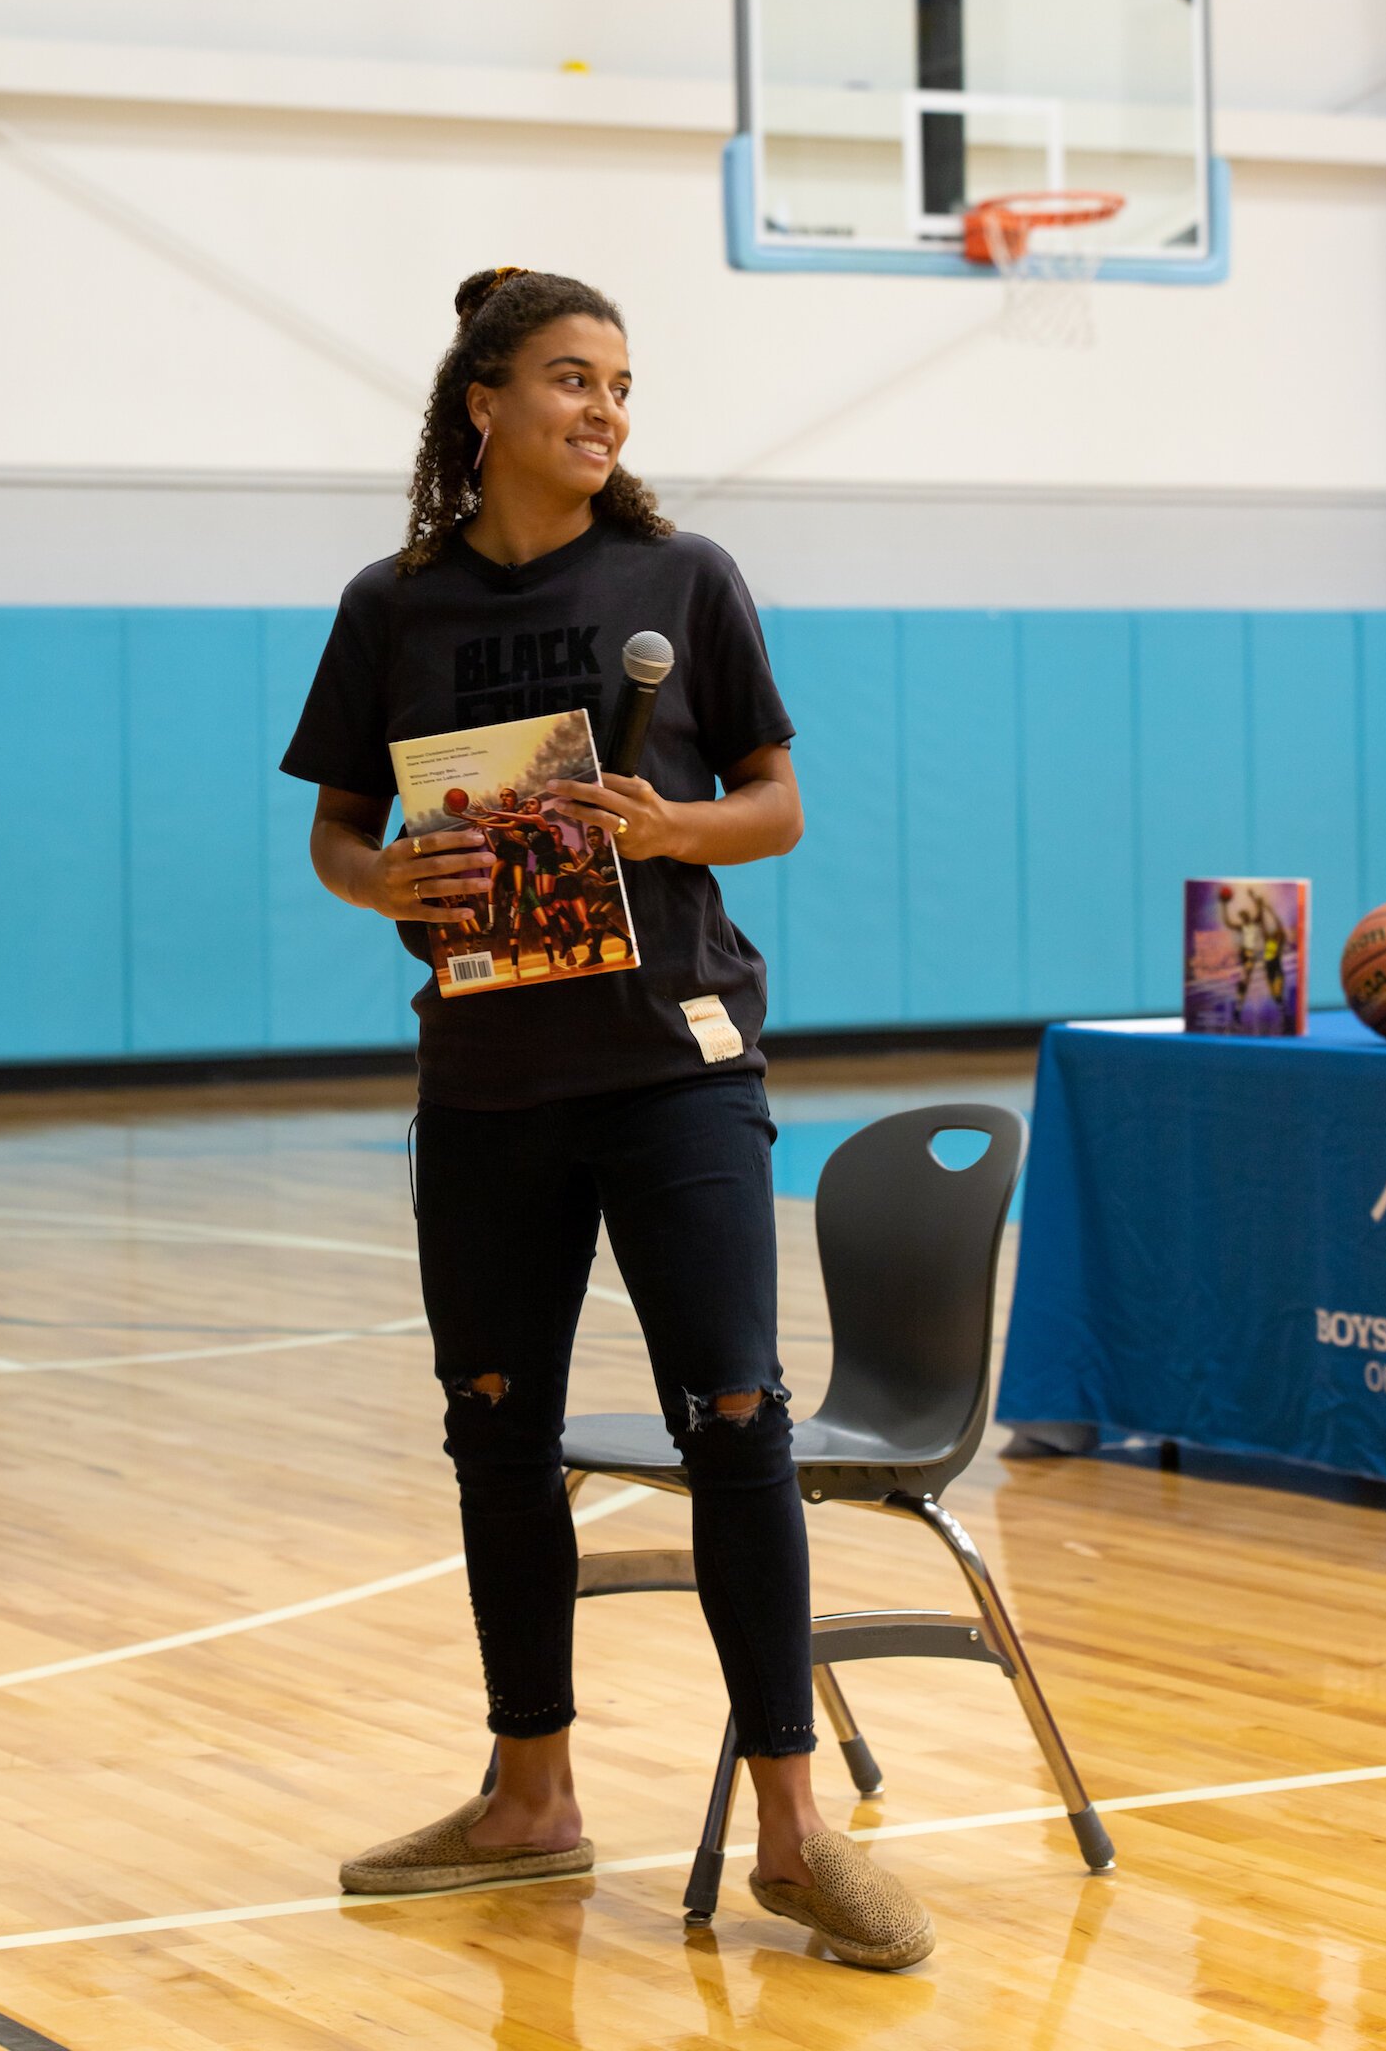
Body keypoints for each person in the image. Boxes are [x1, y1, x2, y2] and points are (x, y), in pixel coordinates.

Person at [281, 266, 934, 1970]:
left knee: (736, 1420)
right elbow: (339, 835)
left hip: (675, 1072)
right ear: (481, 401)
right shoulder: (390, 606)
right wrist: (382, 882)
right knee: (496, 1433)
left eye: (624, 387)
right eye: (571, 379)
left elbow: (779, 807)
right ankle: (528, 1799)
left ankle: (795, 1831)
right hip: (487, 1083)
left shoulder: (683, 579)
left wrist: (669, 828)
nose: (607, 411)